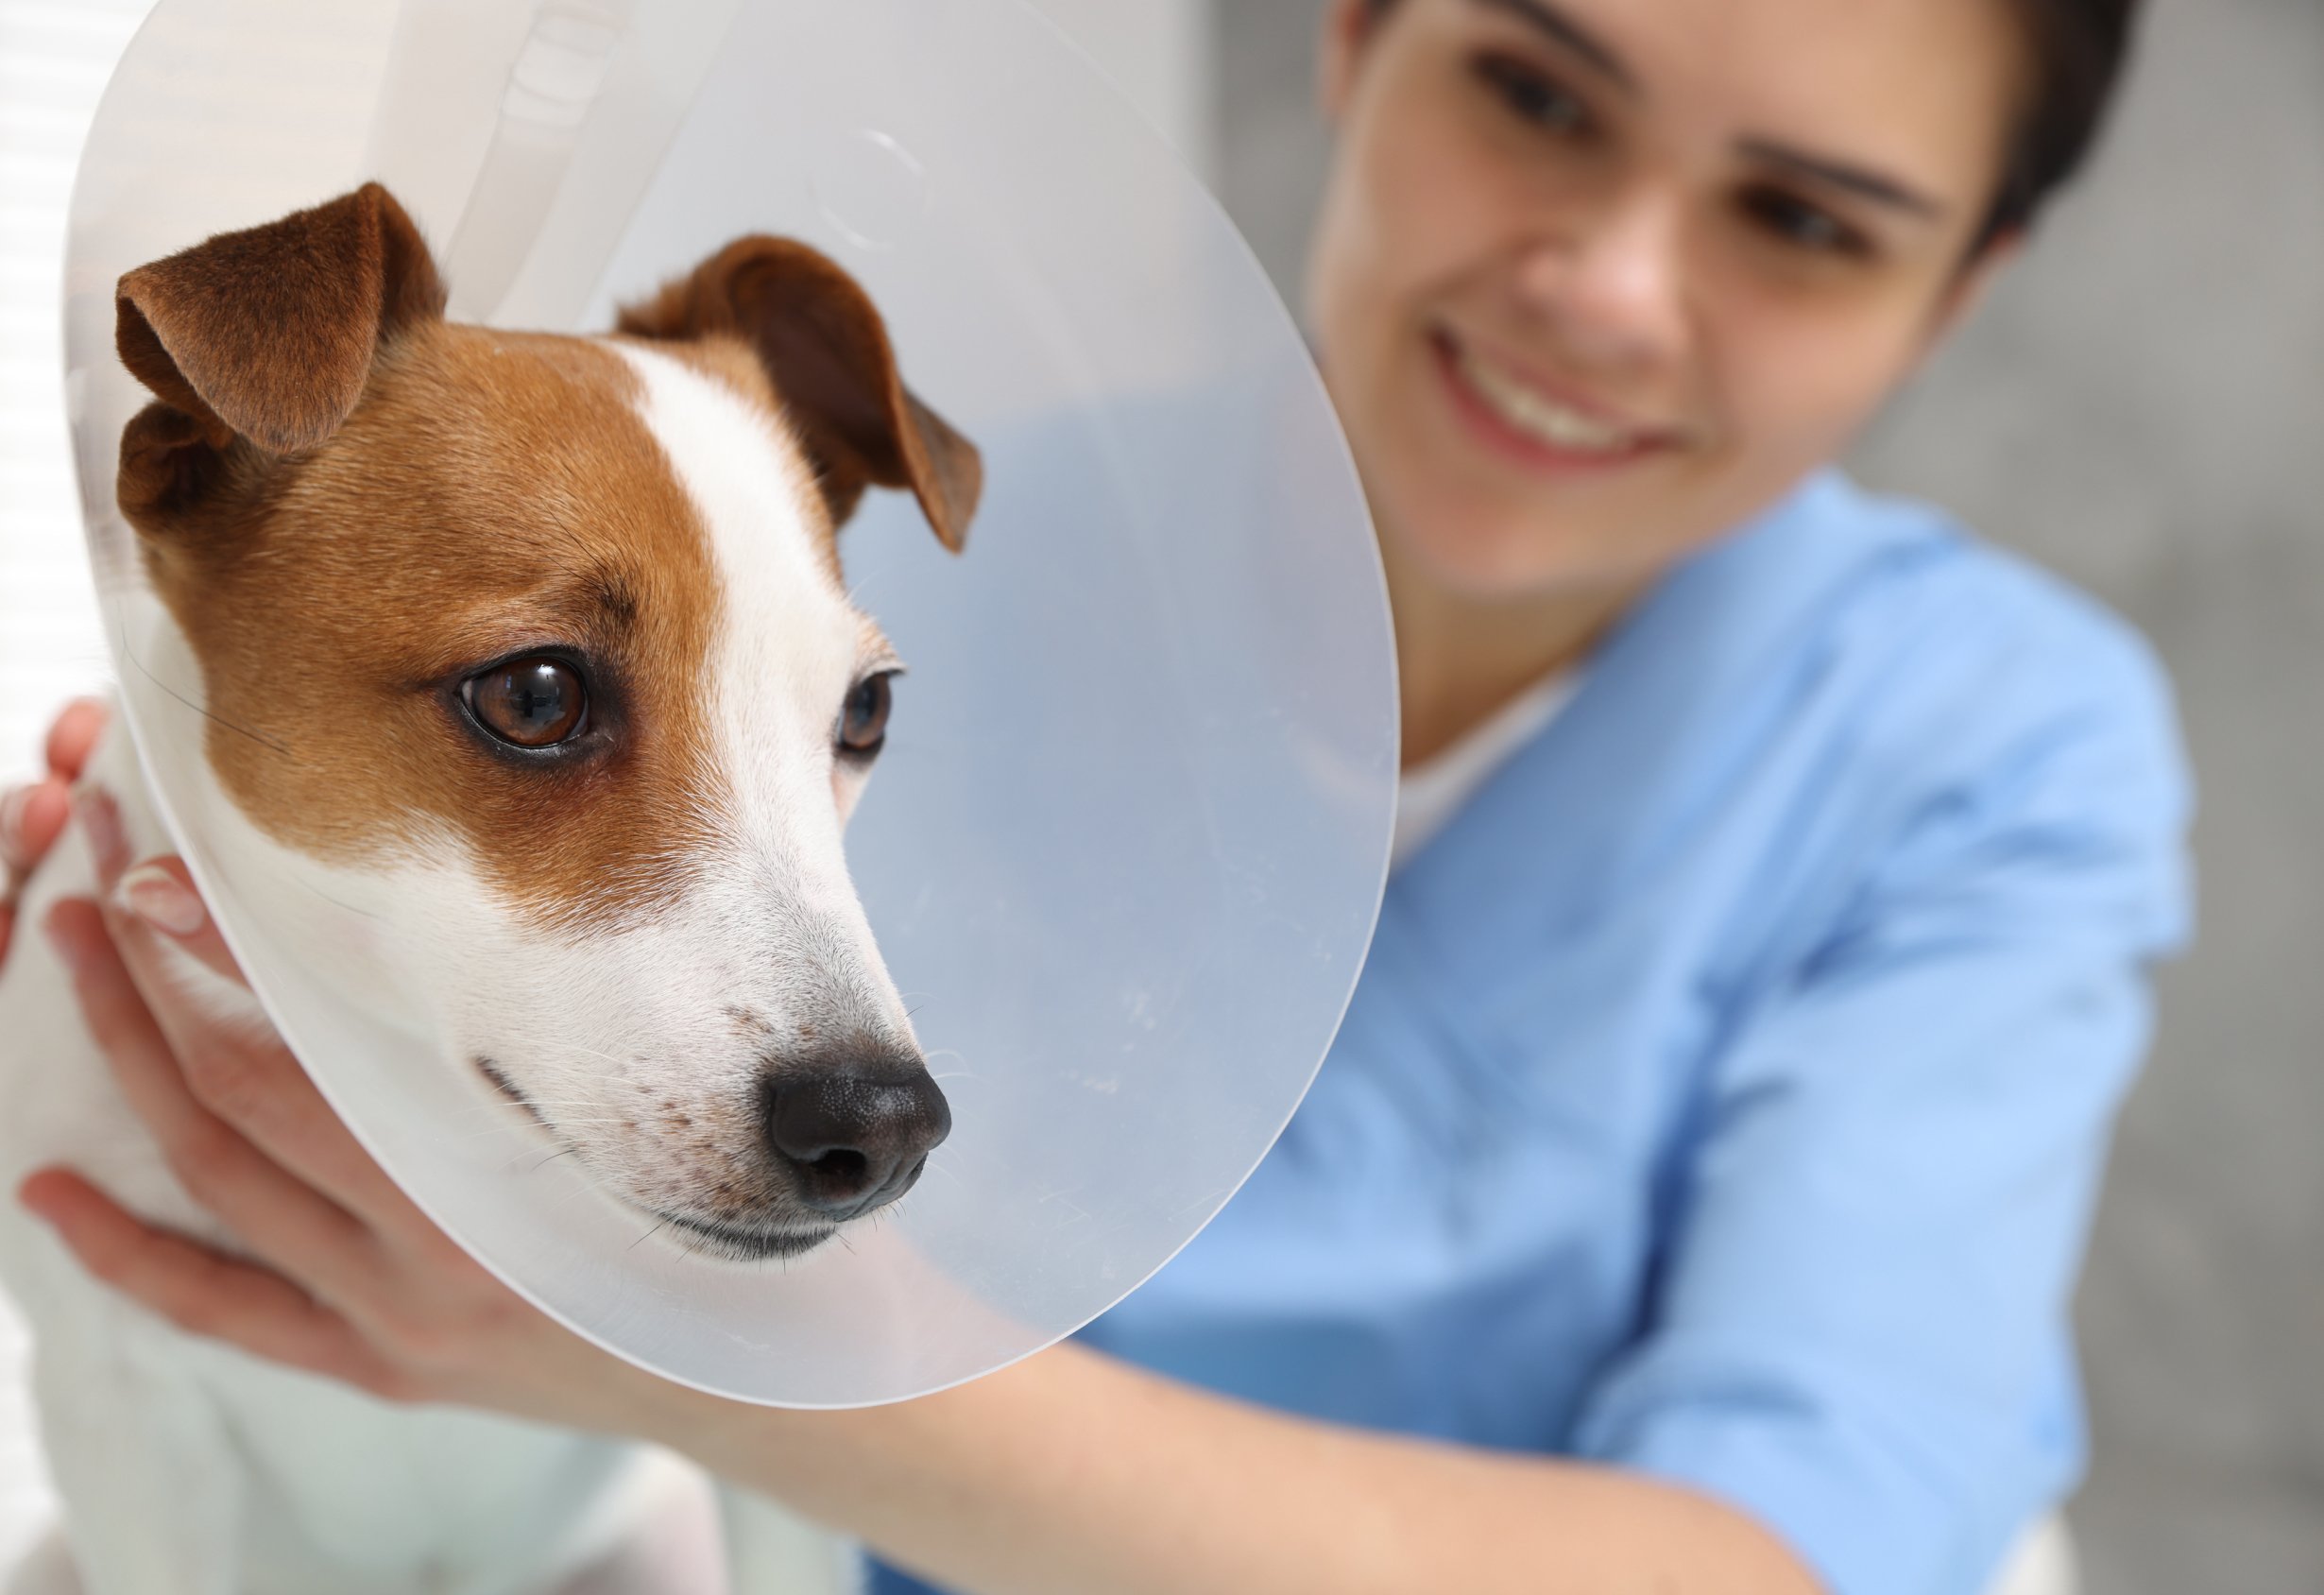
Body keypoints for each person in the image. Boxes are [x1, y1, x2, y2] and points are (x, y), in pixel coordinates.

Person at [0, 0, 2190, 1591]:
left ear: (1962, 291)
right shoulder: (891, 530)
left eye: (1804, 220)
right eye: (1537, 89)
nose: (1607, 290)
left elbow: (1785, 1559)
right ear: (1354, 35)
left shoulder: (1987, 750)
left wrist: (698, 1363)